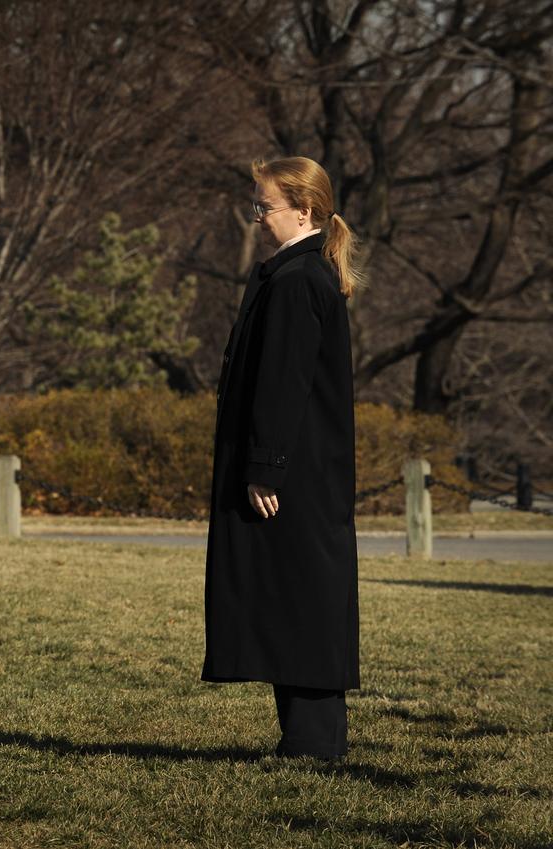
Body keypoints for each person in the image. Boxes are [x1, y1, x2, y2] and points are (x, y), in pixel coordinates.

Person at [202, 156, 364, 760]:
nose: (257, 217)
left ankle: (313, 743)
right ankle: (306, 740)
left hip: (292, 475)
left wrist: (265, 465)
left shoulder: (298, 281)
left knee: (302, 599)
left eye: (264, 207)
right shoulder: (292, 273)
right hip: (300, 472)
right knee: (291, 596)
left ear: (304, 210)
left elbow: (283, 383)